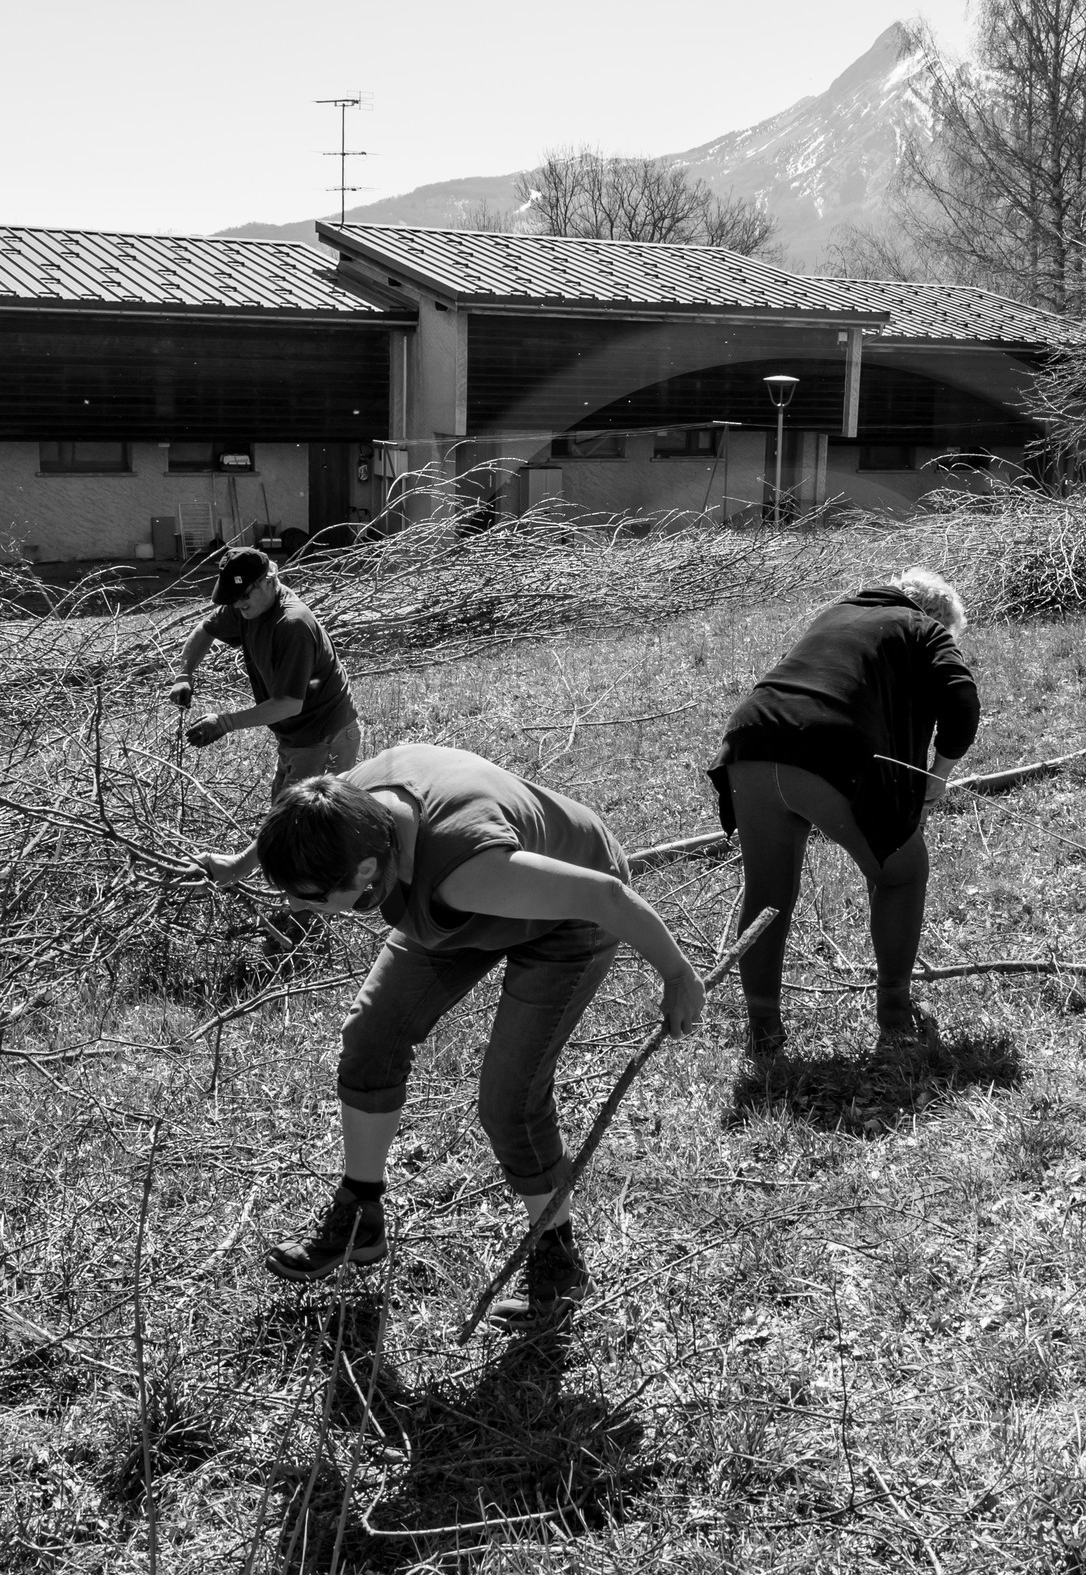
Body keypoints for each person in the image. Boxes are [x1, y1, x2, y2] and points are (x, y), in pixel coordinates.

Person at [195, 744, 706, 1330]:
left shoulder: (466, 870)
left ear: (365, 872)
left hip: (572, 911)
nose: (297, 907)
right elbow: (300, 822)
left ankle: (558, 1261)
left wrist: (677, 975)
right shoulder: (350, 807)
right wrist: (239, 864)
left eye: (309, 896)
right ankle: (360, 1215)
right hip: (469, 891)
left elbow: (604, 896)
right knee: (372, 1036)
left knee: (510, 1100)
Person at [707, 568, 980, 1052]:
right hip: (829, 749)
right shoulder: (923, 627)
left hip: (750, 739)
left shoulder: (837, 613)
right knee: (901, 870)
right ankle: (895, 1008)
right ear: (938, 614)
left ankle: (763, 1029)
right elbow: (960, 696)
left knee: (768, 895)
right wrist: (938, 776)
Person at [168, 547, 360, 797]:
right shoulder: (246, 607)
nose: (238, 603)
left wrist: (225, 723)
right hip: (295, 738)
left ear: (268, 581)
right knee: (283, 817)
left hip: (326, 736)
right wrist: (184, 675)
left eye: (244, 595)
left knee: (304, 827)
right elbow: (206, 630)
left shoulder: (292, 625)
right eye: (233, 597)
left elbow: (289, 704)